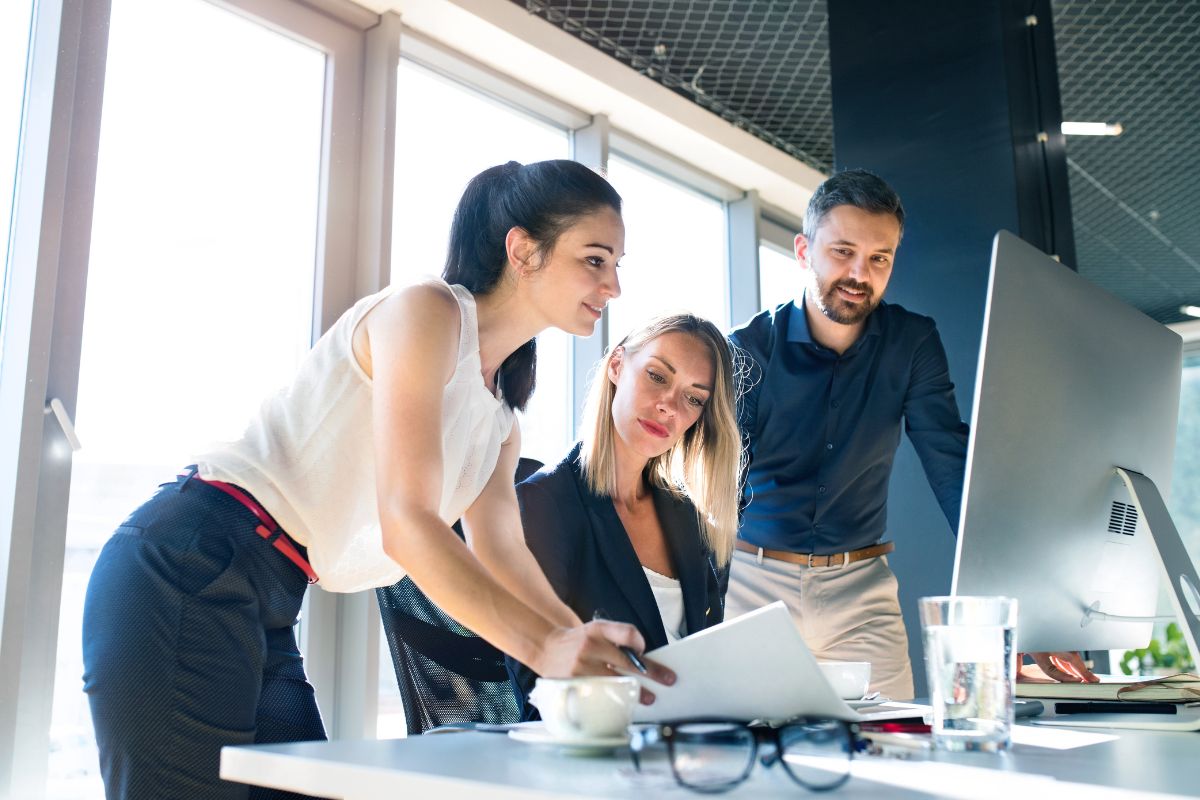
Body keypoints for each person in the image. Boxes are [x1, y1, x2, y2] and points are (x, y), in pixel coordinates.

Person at [81, 159, 672, 800]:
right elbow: (407, 524)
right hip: (191, 559)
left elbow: (504, 555)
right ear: (523, 250)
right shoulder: (427, 311)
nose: (613, 285)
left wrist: (584, 653)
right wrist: (548, 649)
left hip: (272, 594)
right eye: (594, 259)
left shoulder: (501, 421)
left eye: (616, 265)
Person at [726, 168, 1096, 700]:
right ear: (804, 250)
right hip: (752, 584)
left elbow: (951, 466)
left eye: (880, 258)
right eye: (843, 251)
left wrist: (1025, 604)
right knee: (747, 756)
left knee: (897, 758)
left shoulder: (913, 342)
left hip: (861, 589)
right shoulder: (746, 348)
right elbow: (720, 483)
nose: (860, 273)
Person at [508, 313, 743, 718]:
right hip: (598, 748)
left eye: (693, 398)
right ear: (617, 365)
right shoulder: (542, 505)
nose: (669, 406)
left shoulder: (688, 519)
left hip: (688, 742)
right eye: (657, 376)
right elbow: (536, 688)